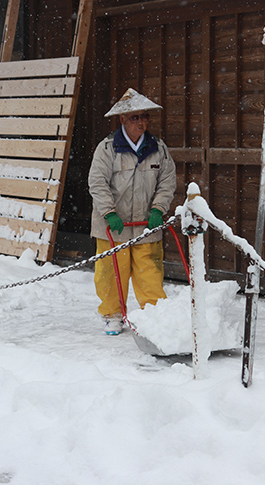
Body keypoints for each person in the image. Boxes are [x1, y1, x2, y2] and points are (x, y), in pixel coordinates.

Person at [88, 88, 177, 335]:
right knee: (110, 275)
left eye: (144, 117)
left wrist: (158, 209)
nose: (141, 122)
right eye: (135, 118)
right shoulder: (106, 149)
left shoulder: (158, 148)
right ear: (123, 120)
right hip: (112, 227)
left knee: (150, 274)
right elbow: (97, 183)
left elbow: (167, 182)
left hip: (146, 225)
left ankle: (154, 317)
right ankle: (113, 315)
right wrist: (109, 213)